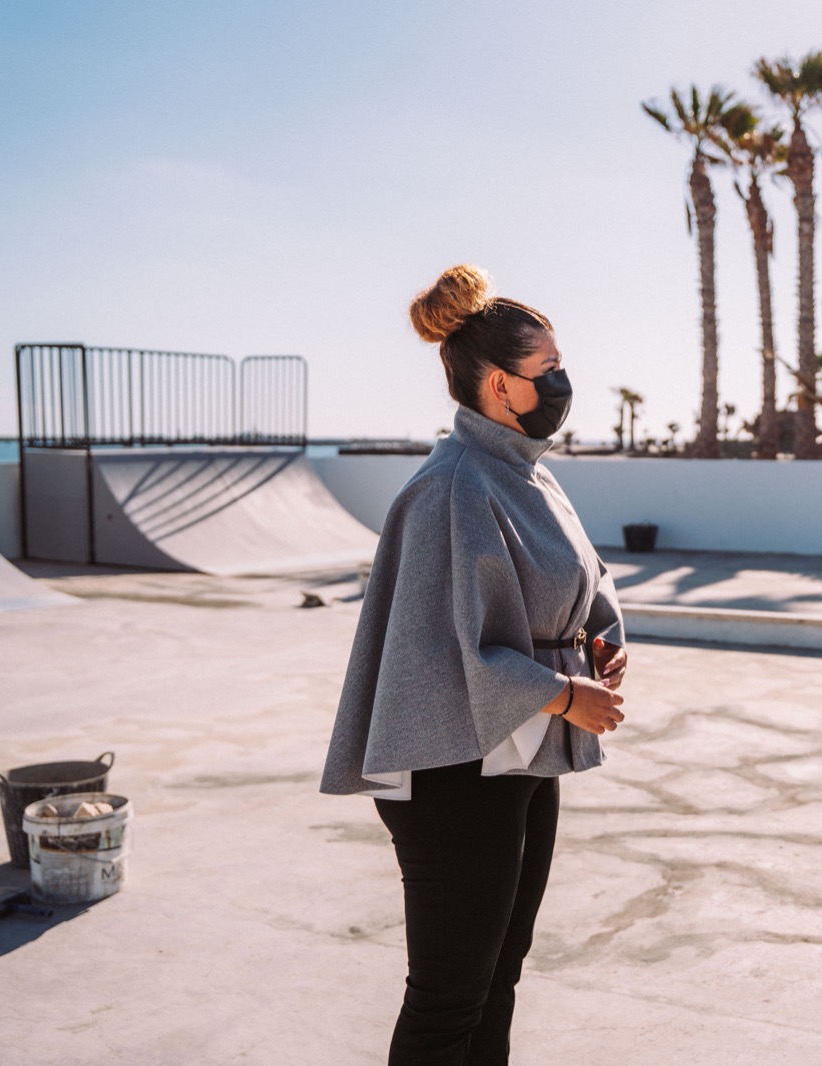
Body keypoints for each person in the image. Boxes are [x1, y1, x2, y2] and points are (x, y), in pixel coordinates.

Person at [320, 264, 629, 1065]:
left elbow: (580, 579)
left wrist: (600, 638)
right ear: (500, 386)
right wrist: (564, 694)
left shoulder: (527, 472)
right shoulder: (453, 487)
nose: (563, 382)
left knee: (499, 977)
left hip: (516, 760)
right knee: (449, 996)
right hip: (452, 772)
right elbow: (455, 645)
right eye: (548, 370)